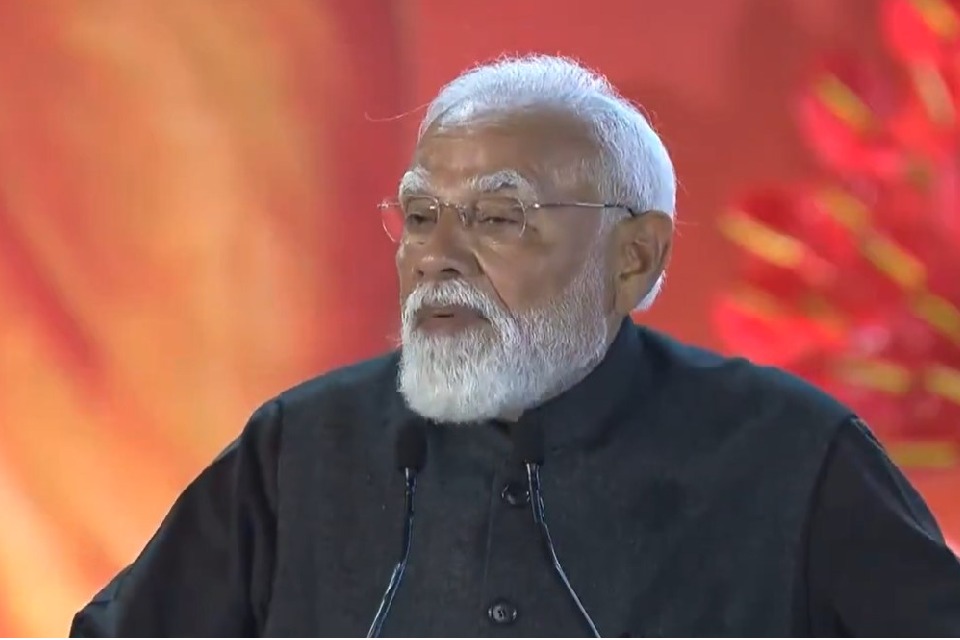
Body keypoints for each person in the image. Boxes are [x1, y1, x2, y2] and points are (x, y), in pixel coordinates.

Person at [70, 55, 960, 638]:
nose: (435, 255)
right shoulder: (301, 448)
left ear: (634, 256)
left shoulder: (791, 455)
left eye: (497, 217)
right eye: (420, 215)